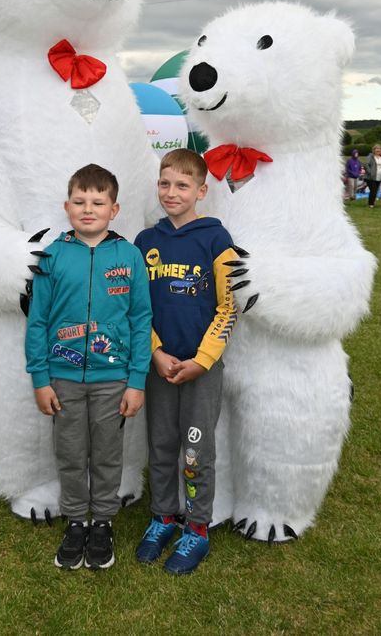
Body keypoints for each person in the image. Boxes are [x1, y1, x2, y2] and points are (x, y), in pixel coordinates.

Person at [25, 164, 152, 570]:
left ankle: (103, 522)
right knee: (70, 452)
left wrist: (136, 381)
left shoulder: (129, 256)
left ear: (114, 210)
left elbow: (141, 321)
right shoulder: (52, 256)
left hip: (113, 380)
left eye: (98, 202)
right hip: (63, 379)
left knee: (107, 454)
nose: (88, 209)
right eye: (79, 201)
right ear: (66, 206)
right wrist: (40, 378)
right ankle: (76, 519)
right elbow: (38, 322)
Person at [133, 148, 238, 575]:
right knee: (160, 447)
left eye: (182, 185)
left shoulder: (217, 238)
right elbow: (138, 309)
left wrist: (203, 359)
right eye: (165, 183)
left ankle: (196, 529)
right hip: (159, 367)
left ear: (201, 190)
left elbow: (229, 308)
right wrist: (156, 353)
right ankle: (162, 518)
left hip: (200, 370)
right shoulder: (146, 242)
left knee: (196, 451)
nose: (171, 192)